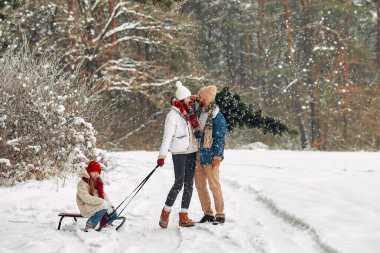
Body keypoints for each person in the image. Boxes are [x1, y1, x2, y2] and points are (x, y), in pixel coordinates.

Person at [157, 81, 201, 229]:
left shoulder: (190, 110)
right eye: (188, 98)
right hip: (180, 153)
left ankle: (184, 216)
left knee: (189, 184)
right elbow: (167, 137)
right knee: (179, 183)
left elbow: (197, 100)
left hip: (192, 151)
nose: (191, 100)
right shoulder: (173, 115)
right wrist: (162, 155)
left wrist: (193, 97)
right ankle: (166, 211)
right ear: (182, 99)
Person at [194, 85, 227, 225]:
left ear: (207, 99)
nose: (199, 99)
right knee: (200, 185)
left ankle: (220, 214)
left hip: (211, 156)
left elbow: (220, 138)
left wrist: (217, 157)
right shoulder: (199, 112)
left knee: (214, 186)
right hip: (198, 154)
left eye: (201, 97)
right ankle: (207, 213)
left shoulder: (217, 116)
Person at [76, 161, 116, 231]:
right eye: (94, 172)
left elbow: (103, 194)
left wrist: (109, 204)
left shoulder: (97, 182)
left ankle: (106, 224)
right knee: (104, 206)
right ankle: (90, 225)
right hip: (86, 206)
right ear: (89, 171)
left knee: (111, 210)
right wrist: (102, 202)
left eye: (98, 173)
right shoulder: (82, 183)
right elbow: (85, 198)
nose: (96, 174)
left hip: (95, 205)